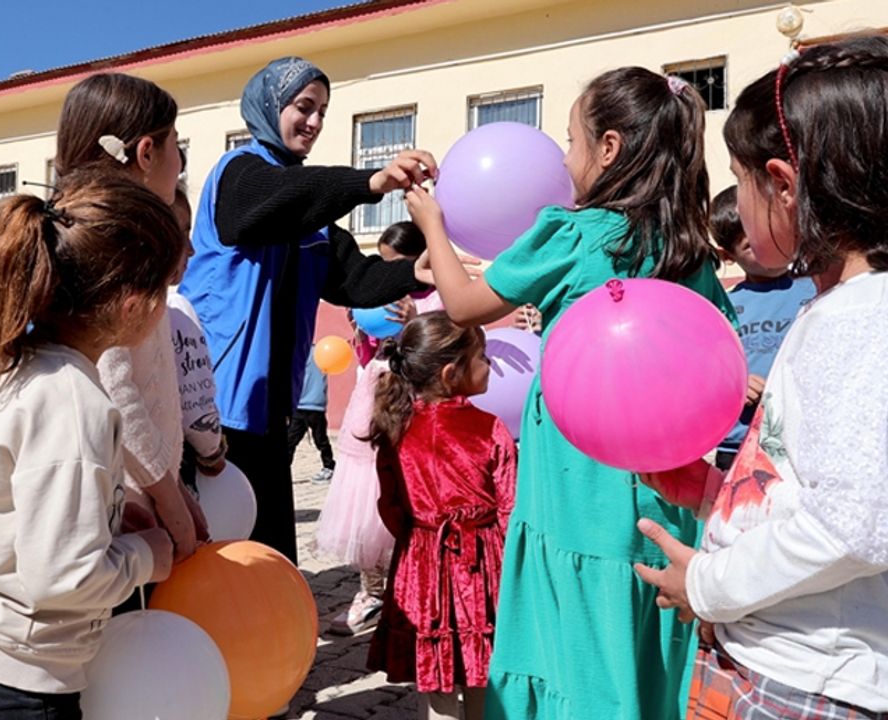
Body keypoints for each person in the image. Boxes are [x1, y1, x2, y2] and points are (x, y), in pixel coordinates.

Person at [407, 67, 734, 718]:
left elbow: (467, 304)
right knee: (644, 635)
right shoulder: (689, 248)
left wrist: (431, 222)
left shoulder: (574, 234)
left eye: (571, 141)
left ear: (608, 148)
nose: (563, 158)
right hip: (662, 485)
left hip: (577, 482)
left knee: (576, 641)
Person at [635, 36, 888, 719]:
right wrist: (718, 495)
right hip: (777, 662)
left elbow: (855, 525)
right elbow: (821, 487)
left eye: (739, 181)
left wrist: (709, 585)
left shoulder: (865, 318)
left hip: (806, 684)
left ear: (780, 183)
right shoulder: (843, 307)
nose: (736, 202)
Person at [0, 173, 179, 719]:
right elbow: (62, 577)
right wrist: (145, 557)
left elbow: (26, 520)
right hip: (21, 676)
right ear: (133, 305)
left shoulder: (16, 362)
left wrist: (109, 522)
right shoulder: (76, 402)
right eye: (165, 287)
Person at [180, 56, 437, 563]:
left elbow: (356, 279)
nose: (314, 122)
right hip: (216, 411)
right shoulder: (241, 174)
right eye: (303, 107)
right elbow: (276, 200)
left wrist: (417, 271)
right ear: (270, 107)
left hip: (273, 412)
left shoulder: (310, 215)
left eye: (322, 111)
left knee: (270, 560)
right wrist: (368, 183)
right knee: (215, 560)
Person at [56, 73, 207, 564]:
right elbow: (116, 390)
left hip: (128, 483)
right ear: (146, 153)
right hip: (122, 500)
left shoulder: (86, 233)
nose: (179, 164)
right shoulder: (120, 247)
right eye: (175, 147)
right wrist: (167, 495)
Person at [365, 312, 516, 720]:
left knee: (436, 678)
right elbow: (509, 507)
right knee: (485, 671)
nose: (489, 365)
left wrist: (421, 536)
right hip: (481, 568)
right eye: (482, 356)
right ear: (452, 373)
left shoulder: (395, 428)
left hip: (421, 568)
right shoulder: (489, 429)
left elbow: (391, 508)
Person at [319, 220, 433, 636]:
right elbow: (369, 354)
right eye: (382, 264)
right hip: (371, 403)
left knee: (405, 499)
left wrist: (415, 320)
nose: (388, 274)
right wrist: (360, 330)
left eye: (396, 264)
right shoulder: (374, 296)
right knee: (364, 503)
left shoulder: (435, 296)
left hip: (411, 409)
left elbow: (442, 343)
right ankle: (370, 591)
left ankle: (408, 592)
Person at [708, 186, 814, 471]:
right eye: (749, 245)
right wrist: (734, 386)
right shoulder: (722, 307)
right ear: (727, 256)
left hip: (798, 440)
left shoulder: (815, 290)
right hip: (739, 447)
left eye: (771, 230)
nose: (767, 245)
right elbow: (706, 372)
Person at [167, 185, 228, 489]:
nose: (191, 248)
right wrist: (212, 451)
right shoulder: (175, 310)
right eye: (182, 231)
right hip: (170, 474)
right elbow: (195, 399)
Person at [287, 352, 335, 484]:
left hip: (313, 405)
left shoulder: (318, 353)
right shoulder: (320, 352)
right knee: (291, 440)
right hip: (303, 405)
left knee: (320, 440)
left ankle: (329, 467)